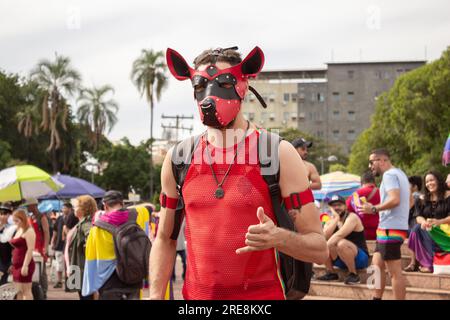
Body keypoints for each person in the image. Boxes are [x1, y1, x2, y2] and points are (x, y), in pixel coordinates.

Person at [150, 46, 328, 300]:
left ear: (243, 87)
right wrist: (155, 296)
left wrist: (279, 238)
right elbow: (165, 239)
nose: (210, 96)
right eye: (201, 86)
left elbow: (320, 249)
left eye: (223, 83)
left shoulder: (278, 154)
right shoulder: (179, 159)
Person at [358, 149, 409, 300]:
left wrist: (373, 208)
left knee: (394, 272)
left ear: (382, 161)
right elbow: (409, 202)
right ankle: (376, 298)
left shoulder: (389, 175)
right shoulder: (400, 174)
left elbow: (395, 200)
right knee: (376, 264)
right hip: (389, 227)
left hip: (391, 228)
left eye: (371, 162)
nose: (370, 166)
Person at [82, 191, 151, 300]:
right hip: (134, 279)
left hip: (109, 283)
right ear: (122, 203)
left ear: (105, 206)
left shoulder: (97, 228)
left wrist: (90, 289)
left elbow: (91, 262)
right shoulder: (138, 217)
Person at [318, 195, 369, 284]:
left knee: (340, 243)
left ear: (345, 206)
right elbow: (324, 237)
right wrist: (336, 219)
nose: (337, 207)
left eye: (339, 205)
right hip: (340, 260)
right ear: (330, 208)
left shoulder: (352, 217)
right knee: (323, 242)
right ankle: (331, 273)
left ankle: (353, 274)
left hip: (359, 259)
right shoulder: (330, 221)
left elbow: (340, 235)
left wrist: (325, 246)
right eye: (334, 205)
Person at [406, 171, 450, 273]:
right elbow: (418, 216)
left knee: (417, 229)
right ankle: (428, 263)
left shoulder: (448, 196)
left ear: (438, 180)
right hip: (431, 231)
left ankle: (426, 264)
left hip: (446, 233)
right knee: (417, 228)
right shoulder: (422, 199)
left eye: (431, 180)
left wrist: (439, 222)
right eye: (427, 181)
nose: (429, 183)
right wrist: (424, 222)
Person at [67, 195, 97, 300]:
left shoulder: (86, 224)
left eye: (75, 206)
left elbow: (91, 239)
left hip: (84, 269)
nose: (73, 209)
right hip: (82, 268)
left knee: (86, 297)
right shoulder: (82, 223)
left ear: (84, 208)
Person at [23, 197, 50, 298]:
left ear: (34, 205)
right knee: (32, 270)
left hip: (40, 247)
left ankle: (44, 292)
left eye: (28, 206)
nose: (27, 208)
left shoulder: (42, 217)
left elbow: (47, 233)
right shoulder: (30, 217)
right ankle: (34, 291)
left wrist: (45, 247)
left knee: (42, 272)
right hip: (31, 246)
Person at [9, 209, 36, 300]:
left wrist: (25, 266)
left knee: (26, 291)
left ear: (23, 219)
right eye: (14, 220)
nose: (15, 223)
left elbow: (30, 249)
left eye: (17, 220)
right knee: (18, 292)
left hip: (25, 264)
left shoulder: (29, 231)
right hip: (16, 265)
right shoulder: (19, 229)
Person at [346, 171, 380, 240]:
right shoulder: (382, 193)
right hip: (381, 233)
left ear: (361, 182)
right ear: (374, 182)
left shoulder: (356, 194)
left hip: (361, 234)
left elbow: (346, 210)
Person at [0, 203, 16, 285]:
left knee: (3, 284)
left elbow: (15, 248)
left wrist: (12, 263)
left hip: (6, 261)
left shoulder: (13, 228)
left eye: (5, 214)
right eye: (1, 214)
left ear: (10, 215)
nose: (2, 216)